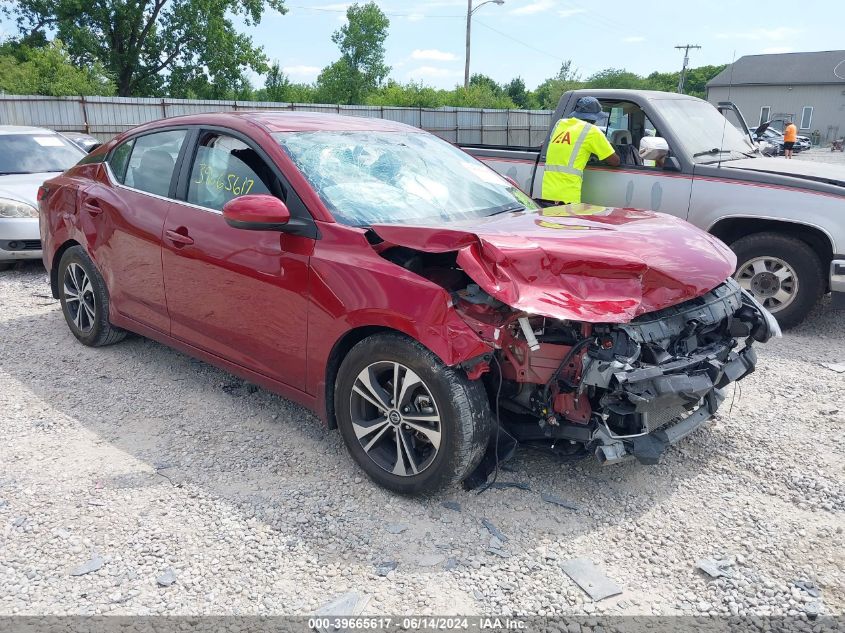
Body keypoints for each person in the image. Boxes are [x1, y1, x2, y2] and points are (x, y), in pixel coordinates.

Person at [540, 96, 620, 205]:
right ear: (594, 117)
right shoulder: (592, 131)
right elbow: (615, 161)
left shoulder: (560, 124)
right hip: (567, 197)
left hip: (547, 193)